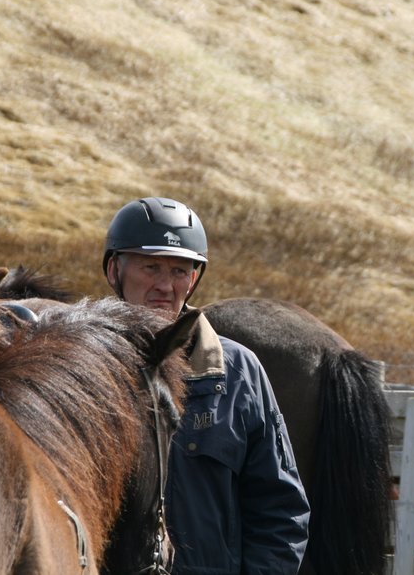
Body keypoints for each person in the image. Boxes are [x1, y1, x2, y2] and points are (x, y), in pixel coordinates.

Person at [102, 196, 310, 575]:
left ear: (194, 279)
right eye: (151, 267)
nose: (165, 285)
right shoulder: (82, 369)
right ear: (115, 269)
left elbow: (281, 510)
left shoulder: (238, 372)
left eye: (180, 271)